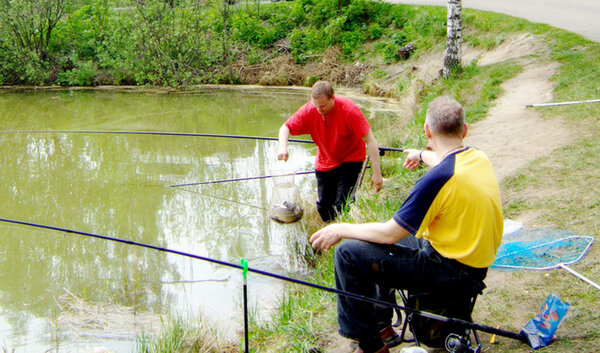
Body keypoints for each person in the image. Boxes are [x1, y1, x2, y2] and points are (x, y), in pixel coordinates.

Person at [309, 96, 503, 353]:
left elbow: (390, 233)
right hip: (474, 265)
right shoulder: (477, 157)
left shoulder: (437, 180)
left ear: (427, 131)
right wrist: (421, 155)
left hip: (450, 272)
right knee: (375, 241)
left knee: (349, 254)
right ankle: (381, 326)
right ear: (464, 131)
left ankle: (371, 347)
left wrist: (340, 228)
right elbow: (445, 160)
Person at [277, 81, 383, 222]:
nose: (319, 110)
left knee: (343, 204)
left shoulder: (349, 110)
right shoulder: (309, 110)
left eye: (323, 106)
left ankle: (345, 231)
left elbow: (370, 141)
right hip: (325, 161)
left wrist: (377, 173)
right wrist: (282, 147)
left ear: (332, 97)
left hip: (351, 158)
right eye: (316, 106)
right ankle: (331, 231)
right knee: (324, 206)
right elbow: (285, 127)